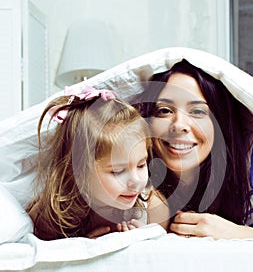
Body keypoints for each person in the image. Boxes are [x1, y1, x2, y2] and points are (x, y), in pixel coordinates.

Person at [136, 59, 253, 239]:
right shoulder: (135, 164)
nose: (179, 125)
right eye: (165, 110)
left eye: (197, 111)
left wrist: (238, 233)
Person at [26, 86, 169, 240]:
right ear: (76, 172)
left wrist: (146, 241)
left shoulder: (154, 208)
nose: (136, 180)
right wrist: (85, 247)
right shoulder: (52, 214)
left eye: (141, 165)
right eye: (118, 171)